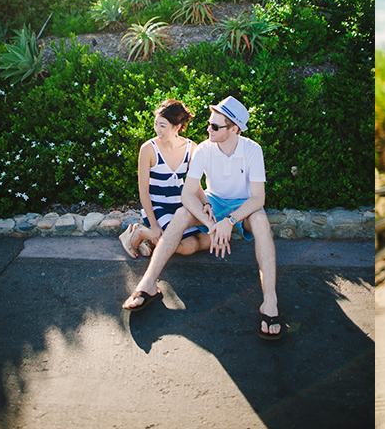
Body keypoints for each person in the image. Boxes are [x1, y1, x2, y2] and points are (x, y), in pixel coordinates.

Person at [122, 96, 282, 341]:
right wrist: (211, 224)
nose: (209, 129)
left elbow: (258, 199)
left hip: (243, 205)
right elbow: (188, 194)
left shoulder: (252, 149)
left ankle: (269, 301)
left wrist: (228, 222)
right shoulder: (204, 149)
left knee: (260, 221)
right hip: (214, 201)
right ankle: (148, 283)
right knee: (183, 213)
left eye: (215, 127)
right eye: (209, 123)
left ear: (234, 129)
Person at [118, 99, 213, 259]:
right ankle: (141, 232)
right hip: (158, 207)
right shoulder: (148, 149)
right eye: (156, 124)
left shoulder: (191, 148)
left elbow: (194, 185)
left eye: (163, 126)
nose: (157, 130)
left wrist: (206, 204)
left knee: (207, 240)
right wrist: (154, 226)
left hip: (180, 206)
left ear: (177, 127)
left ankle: (152, 241)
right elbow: (143, 191)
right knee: (189, 246)